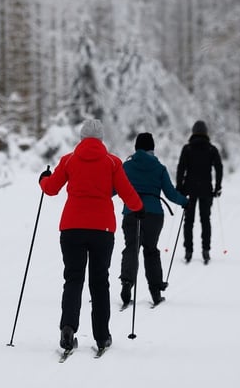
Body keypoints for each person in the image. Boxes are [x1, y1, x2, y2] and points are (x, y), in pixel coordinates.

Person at [39, 118, 144, 352]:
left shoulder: (68, 160)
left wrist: (43, 180)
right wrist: (139, 209)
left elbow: (51, 189)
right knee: (99, 283)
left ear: (82, 137)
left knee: (73, 280)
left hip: (71, 229)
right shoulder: (113, 163)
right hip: (102, 231)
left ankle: (67, 328)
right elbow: (127, 192)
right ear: (101, 139)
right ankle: (101, 336)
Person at [119, 132, 189, 307]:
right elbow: (170, 194)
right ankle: (156, 291)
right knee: (151, 250)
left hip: (131, 213)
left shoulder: (126, 167)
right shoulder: (160, 168)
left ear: (136, 148)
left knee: (131, 248)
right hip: (154, 215)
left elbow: (114, 188)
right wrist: (185, 202)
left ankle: (127, 283)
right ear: (152, 149)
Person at [175, 120, 224, 265]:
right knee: (205, 220)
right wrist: (218, 186)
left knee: (188, 221)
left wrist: (179, 187)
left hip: (189, 190)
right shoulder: (211, 149)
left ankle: (188, 251)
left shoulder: (187, 149)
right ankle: (206, 251)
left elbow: (181, 168)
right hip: (206, 190)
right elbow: (219, 168)